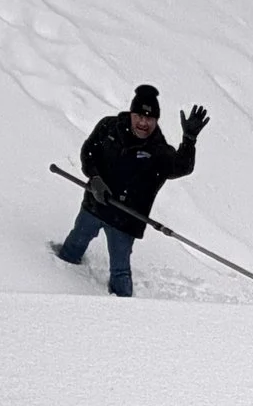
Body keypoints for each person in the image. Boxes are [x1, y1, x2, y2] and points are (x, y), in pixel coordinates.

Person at [53, 84, 208, 297]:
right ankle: (55, 277)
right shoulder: (109, 127)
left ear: (156, 120)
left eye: (150, 118)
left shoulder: (158, 150)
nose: (143, 123)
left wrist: (189, 140)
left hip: (126, 220)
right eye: (139, 116)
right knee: (75, 243)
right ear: (131, 113)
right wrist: (96, 179)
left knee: (120, 270)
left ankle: (125, 311)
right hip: (94, 205)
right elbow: (89, 152)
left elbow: (181, 167)